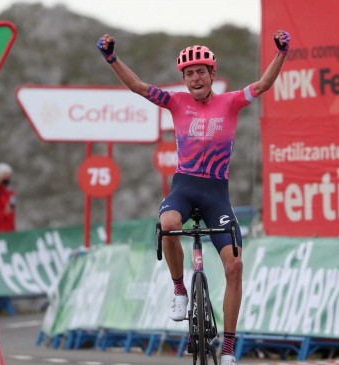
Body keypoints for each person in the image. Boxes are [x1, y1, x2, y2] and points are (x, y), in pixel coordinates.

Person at [97, 29, 290, 365]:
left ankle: (228, 348)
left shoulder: (229, 102)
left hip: (217, 193)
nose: (195, 77)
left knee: (235, 266)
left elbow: (262, 85)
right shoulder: (176, 102)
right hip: (184, 187)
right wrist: (112, 58)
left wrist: (281, 54)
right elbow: (138, 87)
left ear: (212, 74)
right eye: (189, 73)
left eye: (201, 71)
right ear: (183, 79)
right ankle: (179, 290)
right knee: (168, 223)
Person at [0, 162, 16, 231]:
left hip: (9, 226)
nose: (7, 177)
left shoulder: (10, 190)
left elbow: (12, 207)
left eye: (8, 175)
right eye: (5, 175)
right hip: (1, 227)